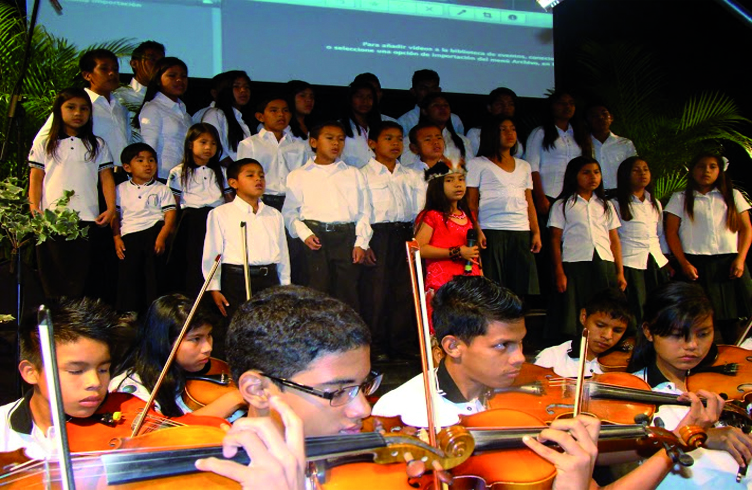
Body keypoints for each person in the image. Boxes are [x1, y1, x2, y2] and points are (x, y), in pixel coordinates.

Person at [373, 276, 712, 490]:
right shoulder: (405, 415)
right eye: (502, 345)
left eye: (521, 343)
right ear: (452, 346)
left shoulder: (520, 410)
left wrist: (677, 443)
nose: (521, 358)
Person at [627, 281, 752, 489]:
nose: (693, 345)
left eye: (703, 334)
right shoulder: (634, 391)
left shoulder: (721, 382)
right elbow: (606, 452)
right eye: (677, 335)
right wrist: (700, 435)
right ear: (649, 332)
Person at [0, 297, 121, 459]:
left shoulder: (124, 428)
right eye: (76, 371)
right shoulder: (3, 431)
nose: (95, 383)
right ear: (31, 372)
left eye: (103, 369)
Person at [28, 87, 115, 299]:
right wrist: (34, 207)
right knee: (55, 276)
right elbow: (36, 178)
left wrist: (111, 208)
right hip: (53, 219)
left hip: (87, 218)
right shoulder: (45, 143)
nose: (78, 113)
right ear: (59, 110)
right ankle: (58, 322)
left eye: (84, 109)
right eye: (71, 108)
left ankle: (80, 323)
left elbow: (106, 179)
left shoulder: (98, 145)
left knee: (83, 276)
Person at [282, 121, 372, 311]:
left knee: (347, 294)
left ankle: (346, 339)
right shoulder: (298, 175)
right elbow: (290, 212)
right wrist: (304, 234)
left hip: (346, 237)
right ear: (314, 142)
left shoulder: (353, 174)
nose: (335, 144)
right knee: (316, 292)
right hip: (315, 237)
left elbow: (364, 211)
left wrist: (361, 242)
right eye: (329, 138)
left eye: (340, 139)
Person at [110, 294, 246, 419]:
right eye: (196, 339)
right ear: (164, 342)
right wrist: (232, 400)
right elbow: (160, 436)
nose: (208, 348)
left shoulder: (212, 368)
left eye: (209, 335)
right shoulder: (129, 390)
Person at [203, 158, 291, 350]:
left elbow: (283, 254)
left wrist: (285, 285)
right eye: (250, 175)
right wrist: (214, 287)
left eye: (261, 175)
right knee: (238, 329)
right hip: (236, 280)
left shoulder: (274, 214)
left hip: (268, 279)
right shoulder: (221, 213)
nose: (258, 179)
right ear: (233, 183)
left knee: (268, 329)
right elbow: (213, 253)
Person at [665, 152, 752, 344]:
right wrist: (683, 263)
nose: (706, 171)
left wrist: (740, 259)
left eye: (712, 167)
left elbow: (746, 228)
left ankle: (733, 358)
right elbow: (671, 232)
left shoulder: (732, 195)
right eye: (701, 166)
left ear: (720, 171)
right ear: (692, 170)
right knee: (700, 317)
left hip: (729, 262)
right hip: (695, 264)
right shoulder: (680, 198)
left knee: (732, 318)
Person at [359, 121, 423, 362]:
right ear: (372, 143)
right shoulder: (363, 174)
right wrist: (364, 242)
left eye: (398, 138)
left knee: (404, 291)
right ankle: (375, 344)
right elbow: (361, 211)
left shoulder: (411, 175)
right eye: (388, 138)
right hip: (378, 235)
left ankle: (401, 342)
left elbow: (420, 208)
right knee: (375, 292)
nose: (395, 143)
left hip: (406, 233)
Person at [547, 156, 626, 341]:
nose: (593, 177)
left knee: (605, 305)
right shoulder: (563, 204)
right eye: (586, 172)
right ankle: (576, 344)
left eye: (596, 172)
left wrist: (619, 271)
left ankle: (603, 340)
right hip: (575, 262)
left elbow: (614, 239)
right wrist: (559, 271)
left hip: (603, 261)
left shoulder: (605, 205)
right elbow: (555, 239)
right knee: (577, 306)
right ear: (574, 176)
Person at [466, 116, 540, 298]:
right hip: (491, 230)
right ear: (492, 134)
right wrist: (477, 229)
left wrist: (536, 231)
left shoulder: (524, 166)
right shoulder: (477, 164)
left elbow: (528, 201)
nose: (510, 133)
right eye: (503, 129)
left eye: (513, 129)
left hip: (520, 230)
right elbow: (471, 203)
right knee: (493, 287)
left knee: (519, 288)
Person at [34, 49, 131, 171]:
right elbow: (43, 140)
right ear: (87, 75)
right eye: (104, 69)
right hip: (90, 174)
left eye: (115, 69)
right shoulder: (77, 105)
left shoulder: (120, 108)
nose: (112, 73)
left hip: (121, 177)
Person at [167, 123, 232, 296]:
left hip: (215, 219)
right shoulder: (178, 171)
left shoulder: (222, 172)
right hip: (190, 221)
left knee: (215, 260)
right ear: (190, 144)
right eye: (203, 142)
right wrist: (170, 230)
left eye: (213, 143)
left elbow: (228, 199)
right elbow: (173, 202)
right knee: (193, 262)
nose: (208, 148)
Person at [113, 142, 177, 313]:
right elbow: (116, 216)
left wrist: (162, 237)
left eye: (151, 160)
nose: (147, 165)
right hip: (130, 236)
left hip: (153, 235)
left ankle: (155, 313)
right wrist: (116, 237)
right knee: (129, 278)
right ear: (127, 167)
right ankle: (129, 315)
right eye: (140, 161)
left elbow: (169, 215)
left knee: (153, 277)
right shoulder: (120, 189)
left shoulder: (162, 189)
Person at [611, 157, 670, 328]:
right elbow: (614, 239)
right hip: (631, 262)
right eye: (636, 170)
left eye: (645, 169)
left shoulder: (655, 203)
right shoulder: (615, 204)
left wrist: (666, 261)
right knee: (636, 310)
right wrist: (618, 269)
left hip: (655, 261)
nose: (642, 174)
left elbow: (659, 235)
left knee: (658, 309)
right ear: (625, 175)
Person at [414, 160, 481, 297]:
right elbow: (419, 248)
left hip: (470, 284)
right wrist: (457, 252)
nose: (458, 185)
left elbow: (475, 255)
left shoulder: (468, 216)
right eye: (449, 180)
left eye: (461, 179)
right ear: (437, 185)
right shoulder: (432, 216)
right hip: (443, 286)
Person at [535, 288, 632, 377]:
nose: (607, 336)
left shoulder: (629, 367)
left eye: (617, 330)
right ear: (583, 317)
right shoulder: (551, 358)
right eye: (600, 325)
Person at [236, 95, 306, 212]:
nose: (281, 115)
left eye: (285, 111)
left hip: (292, 202)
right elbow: (244, 178)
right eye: (274, 110)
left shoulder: (299, 146)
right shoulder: (250, 144)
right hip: (262, 201)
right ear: (260, 116)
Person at [525, 90, 588, 216]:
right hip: (549, 194)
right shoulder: (540, 133)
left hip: (575, 195)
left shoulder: (579, 134)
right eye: (562, 103)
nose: (567, 107)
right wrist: (540, 197)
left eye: (571, 103)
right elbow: (532, 167)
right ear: (552, 106)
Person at [136, 57, 192, 180]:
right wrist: (152, 181)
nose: (179, 80)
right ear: (158, 80)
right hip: (161, 176)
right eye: (172, 76)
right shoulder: (153, 108)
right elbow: (149, 147)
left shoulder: (185, 114)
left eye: (183, 76)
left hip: (183, 179)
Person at [401, 93, 471, 169]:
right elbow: (407, 166)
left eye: (446, 105)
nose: (443, 108)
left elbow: (470, 169)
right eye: (436, 105)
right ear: (424, 111)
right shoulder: (410, 140)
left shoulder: (462, 140)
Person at [200, 70, 252, 163]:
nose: (243, 90)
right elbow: (215, 152)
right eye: (236, 86)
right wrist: (237, 171)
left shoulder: (242, 119)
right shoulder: (215, 114)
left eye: (246, 87)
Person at [585, 103, 637, 194]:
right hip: (592, 195)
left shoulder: (625, 144)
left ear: (611, 118)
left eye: (604, 114)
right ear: (588, 120)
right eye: (595, 115)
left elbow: (634, 169)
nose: (600, 118)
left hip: (620, 195)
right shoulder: (583, 144)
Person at [397, 69, 464, 135]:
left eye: (434, 88)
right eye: (424, 88)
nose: (430, 92)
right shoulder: (404, 122)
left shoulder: (454, 119)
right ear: (413, 91)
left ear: (439, 90)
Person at [113, 40, 166, 119]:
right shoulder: (119, 96)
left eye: (161, 62)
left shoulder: (167, 99)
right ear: (134, 64)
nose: (157, 65)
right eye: (152, 59)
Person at [466, 87, 523, 157]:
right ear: (489, 107)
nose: (506, 107)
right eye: (500, 104)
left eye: (510, 104)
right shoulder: (475, 133)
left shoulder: (518, 132)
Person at [340, 80, 382, 169]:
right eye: (359, 96)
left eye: (369, 97)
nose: (365, 101)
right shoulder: (339, 127)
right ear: (350, 99)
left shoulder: (380, 126)